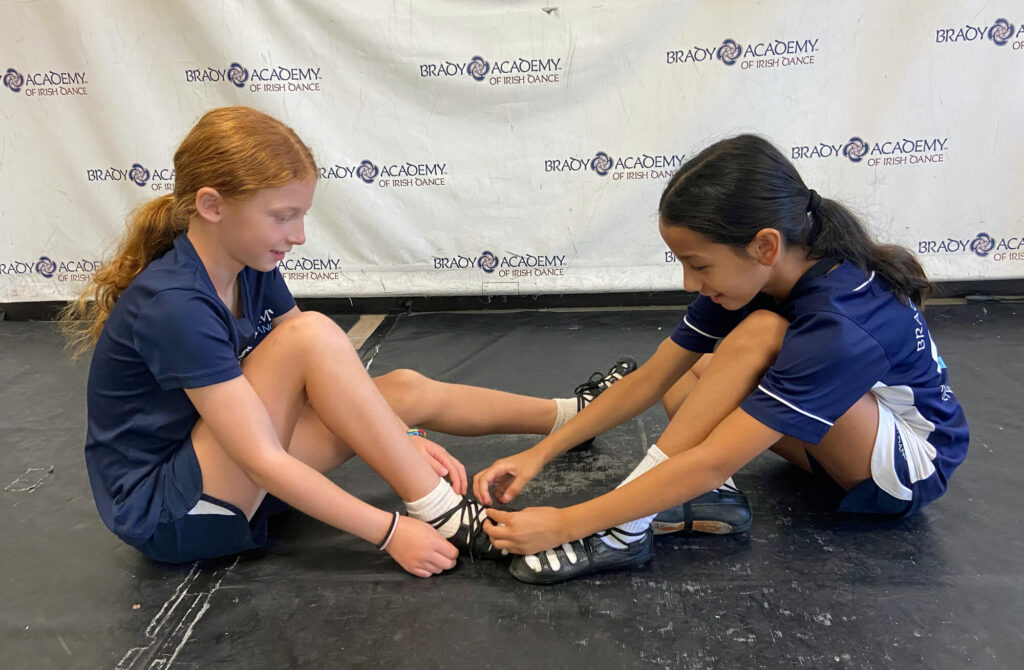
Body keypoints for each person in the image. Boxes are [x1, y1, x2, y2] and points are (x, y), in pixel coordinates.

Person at [60, 106, 635, 577]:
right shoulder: (175, 304)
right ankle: (440, 513)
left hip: (219, 468)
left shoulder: (248, 261)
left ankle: (572, 415)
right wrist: (388, 532)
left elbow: (329, 384)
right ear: (211, 206)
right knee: (311, 336)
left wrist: (402, 437)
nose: (299, 236)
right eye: (284, 216)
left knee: (400, 391)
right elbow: (260, 451)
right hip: (175, 512)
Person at [474, 134, 969, 584]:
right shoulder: (760, 273)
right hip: (842, 442)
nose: (690, 283)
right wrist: (538, 453)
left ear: (765, 245)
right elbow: (649, 381)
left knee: (759, 334)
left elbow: (710, 459)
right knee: (689, 365)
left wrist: (567, 523)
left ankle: (625, 533)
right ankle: (704, 503)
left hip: (906, 472)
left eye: (699, 264)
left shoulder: (842, 324)